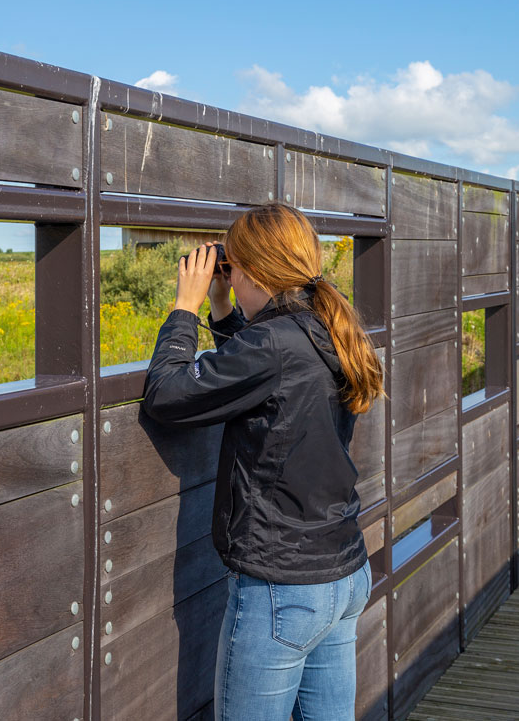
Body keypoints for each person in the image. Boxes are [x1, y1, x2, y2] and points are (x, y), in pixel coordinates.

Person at [142, 203, 384, 721]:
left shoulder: (274, 343)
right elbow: (258, 377)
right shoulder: (324, 326)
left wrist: (185, 309)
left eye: (232, 268)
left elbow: (166, 396)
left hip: (282, 589)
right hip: (342, 573)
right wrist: (225, 307)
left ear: (253, 270)